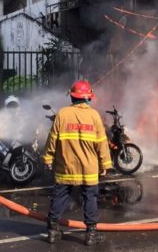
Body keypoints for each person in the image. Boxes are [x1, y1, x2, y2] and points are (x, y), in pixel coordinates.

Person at [43, 80, 112, 246]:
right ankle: (91, 235)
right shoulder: (94, 115)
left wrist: (48, 158)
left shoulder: (62, 114)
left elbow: (52, 138)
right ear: (88, 98)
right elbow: (102, 143)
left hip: (65, 165)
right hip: (88, 168)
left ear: (72, 97)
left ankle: (52, 231)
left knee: (60, 195)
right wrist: (105, 164)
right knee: (90, 198)